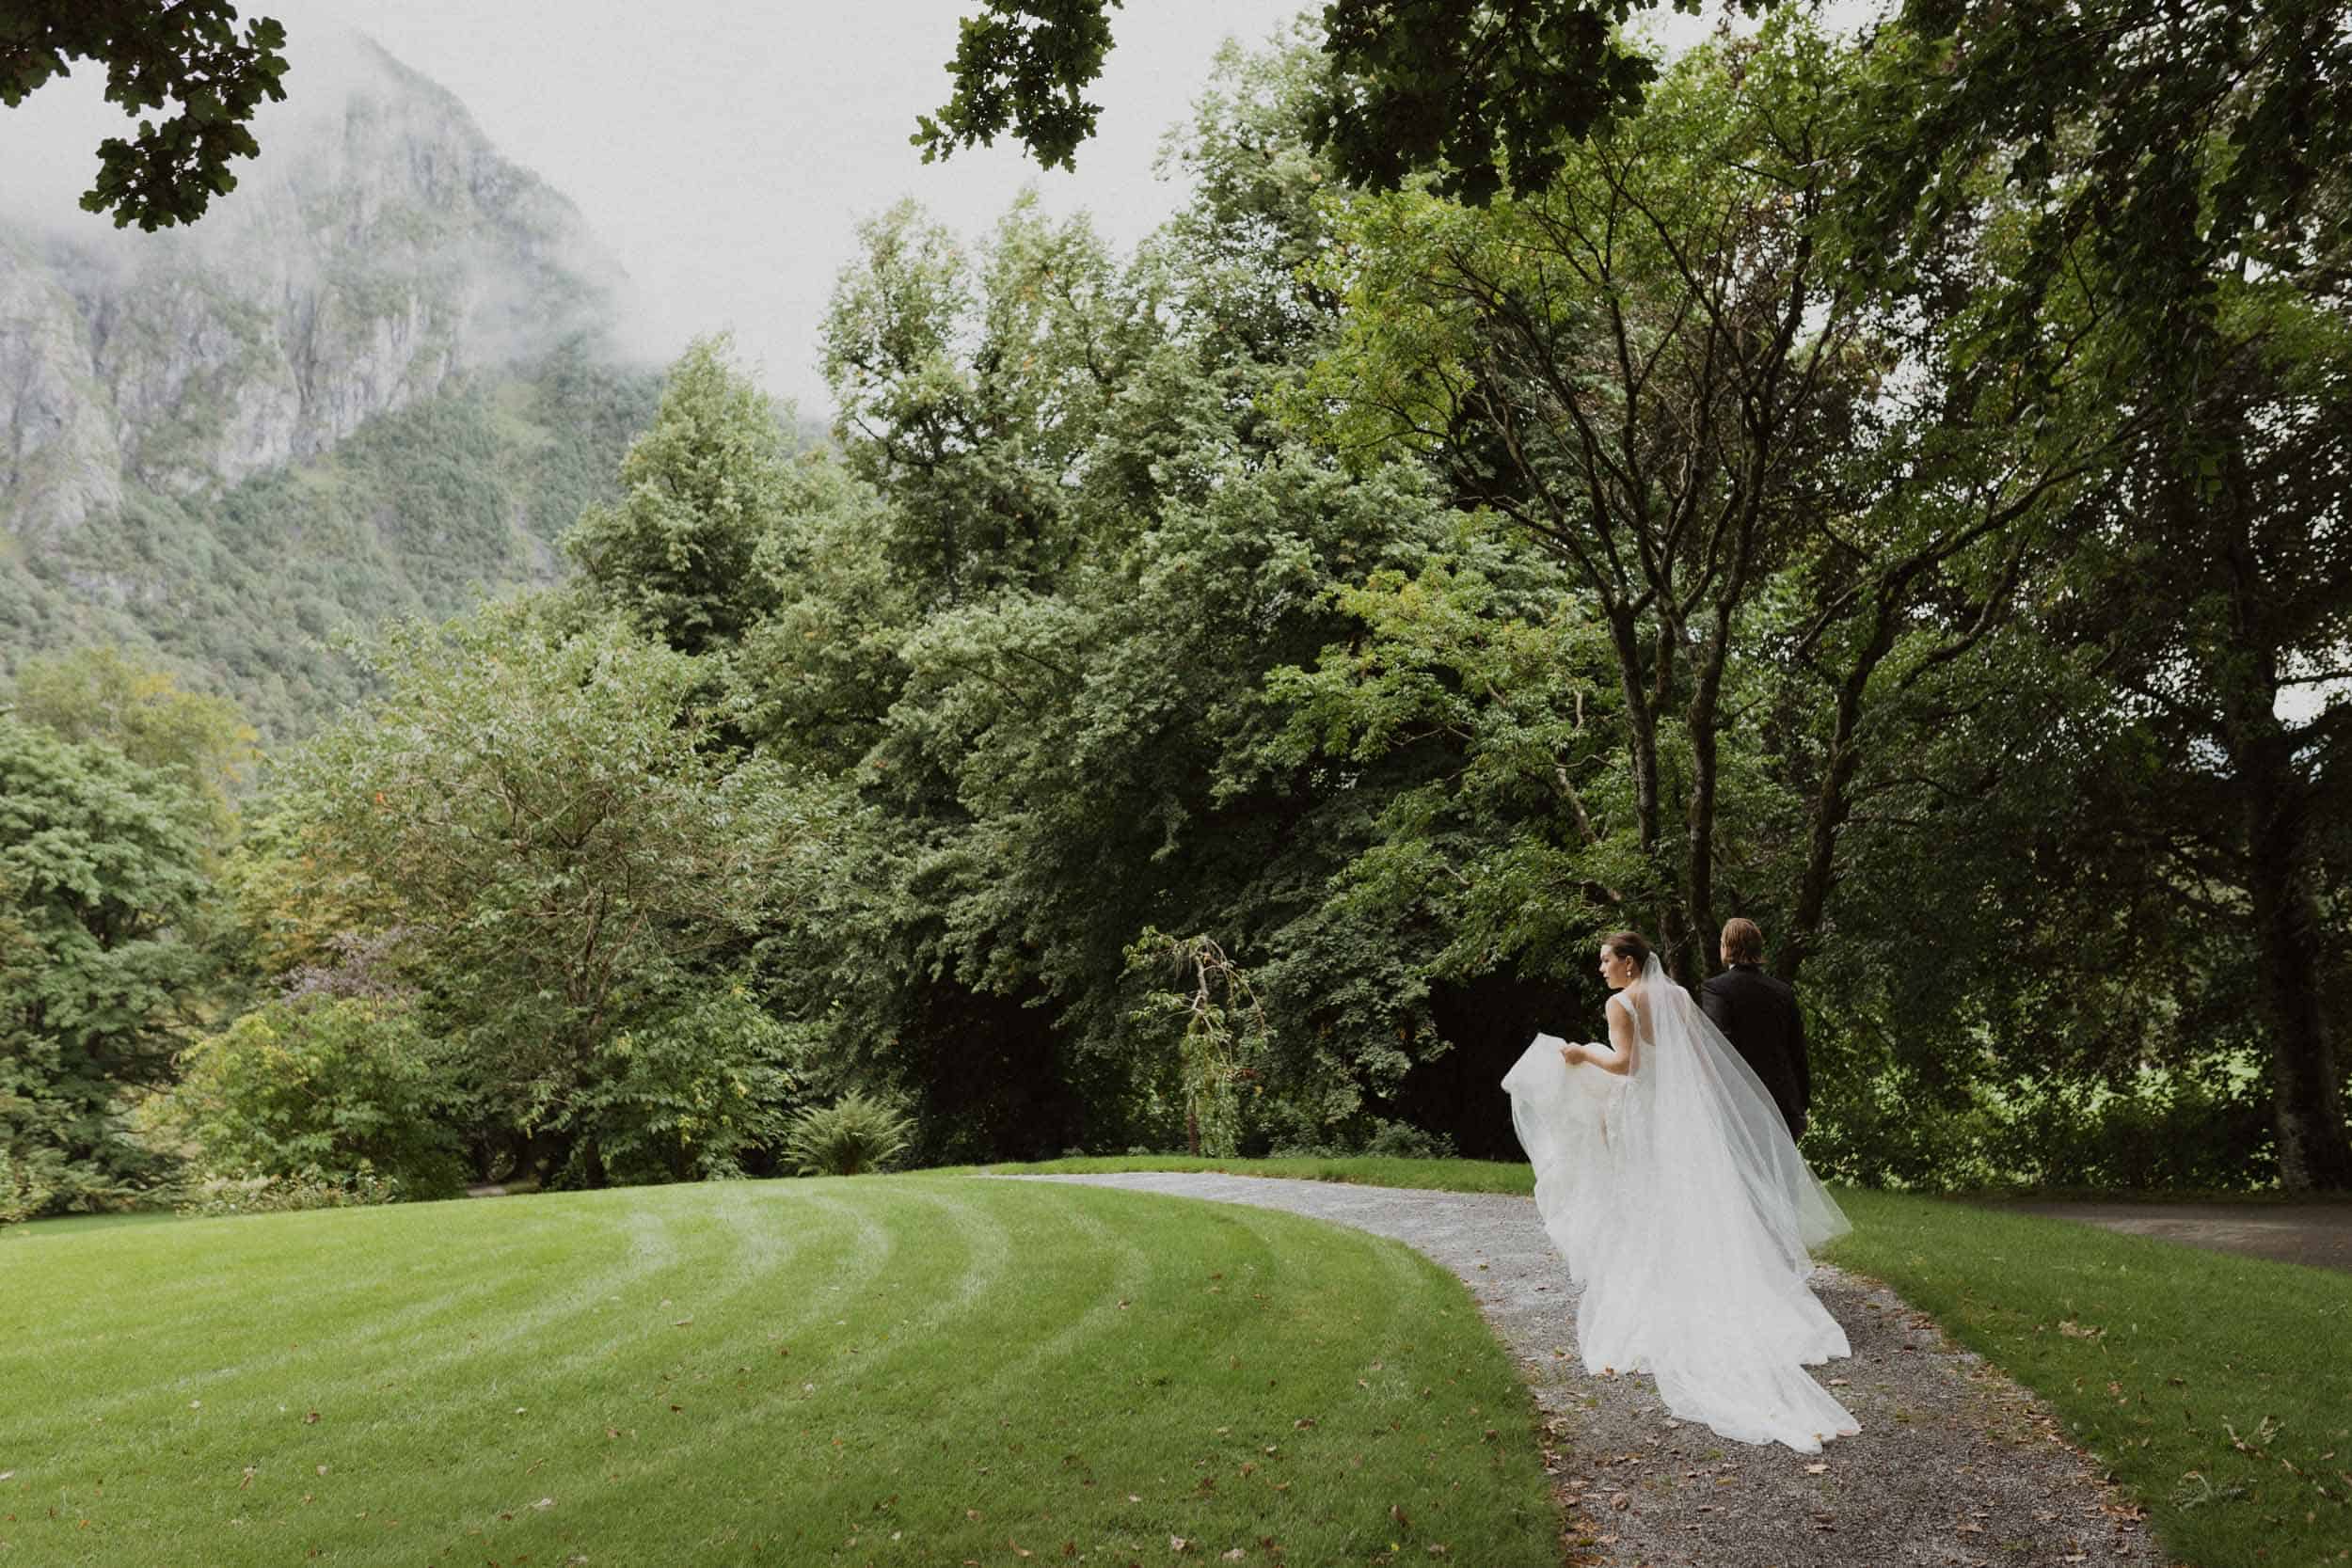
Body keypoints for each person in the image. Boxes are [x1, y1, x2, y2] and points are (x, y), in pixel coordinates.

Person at [1501, 930, 1859, 1453]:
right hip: (1679, 1115)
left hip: (1643, 1112)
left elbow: (1627, 1065)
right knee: (1688, 1201)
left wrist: (1582, 1055)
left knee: (1645, 1202)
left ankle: (1658, 1295)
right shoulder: (1680, 996)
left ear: (1628, 963)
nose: (1601, 968)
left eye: (1606, 959)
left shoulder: (1621, 1002)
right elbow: (1695, 1056)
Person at [1700, 917, 1811, 1141]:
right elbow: (1797, 1051)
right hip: (1783, 1102)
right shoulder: (1782, 991)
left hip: (1738, 1103)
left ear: (1727, 947)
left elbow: (1718, 1048)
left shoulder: (1716, 989)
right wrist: (1802, 1105)